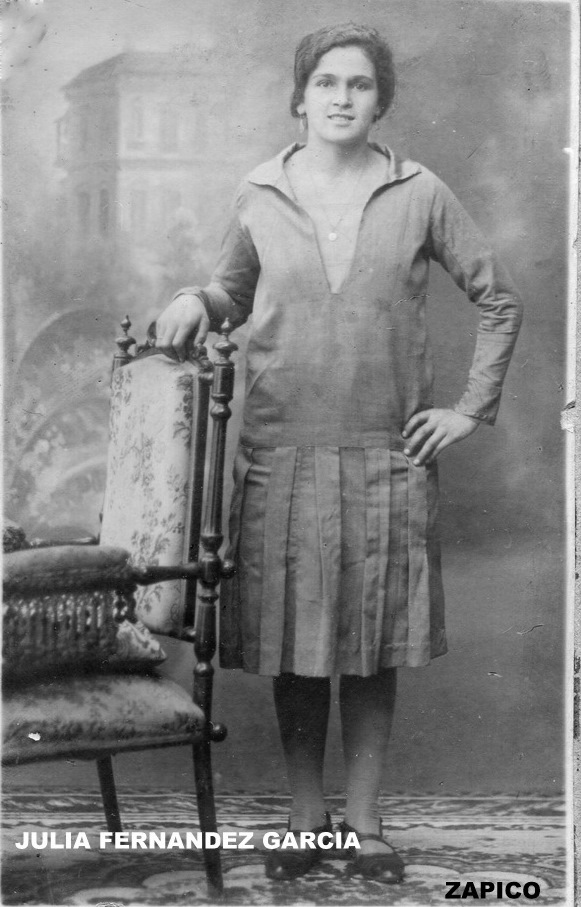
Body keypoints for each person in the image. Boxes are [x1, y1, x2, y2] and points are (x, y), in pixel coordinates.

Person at [156, 22, 523, 884]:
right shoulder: (259, 192)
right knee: (294, 648)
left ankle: (362, 823)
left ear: (379, 99)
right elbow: (232, 291)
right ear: (300, 95)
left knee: (366, 648)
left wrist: (468, 410)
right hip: (279, 456)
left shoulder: (419, 191)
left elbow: (499, 299)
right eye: (326, 82)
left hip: (383, 459)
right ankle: (303, 818)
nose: (341, 97)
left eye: (359, 84)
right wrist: (194, 300)